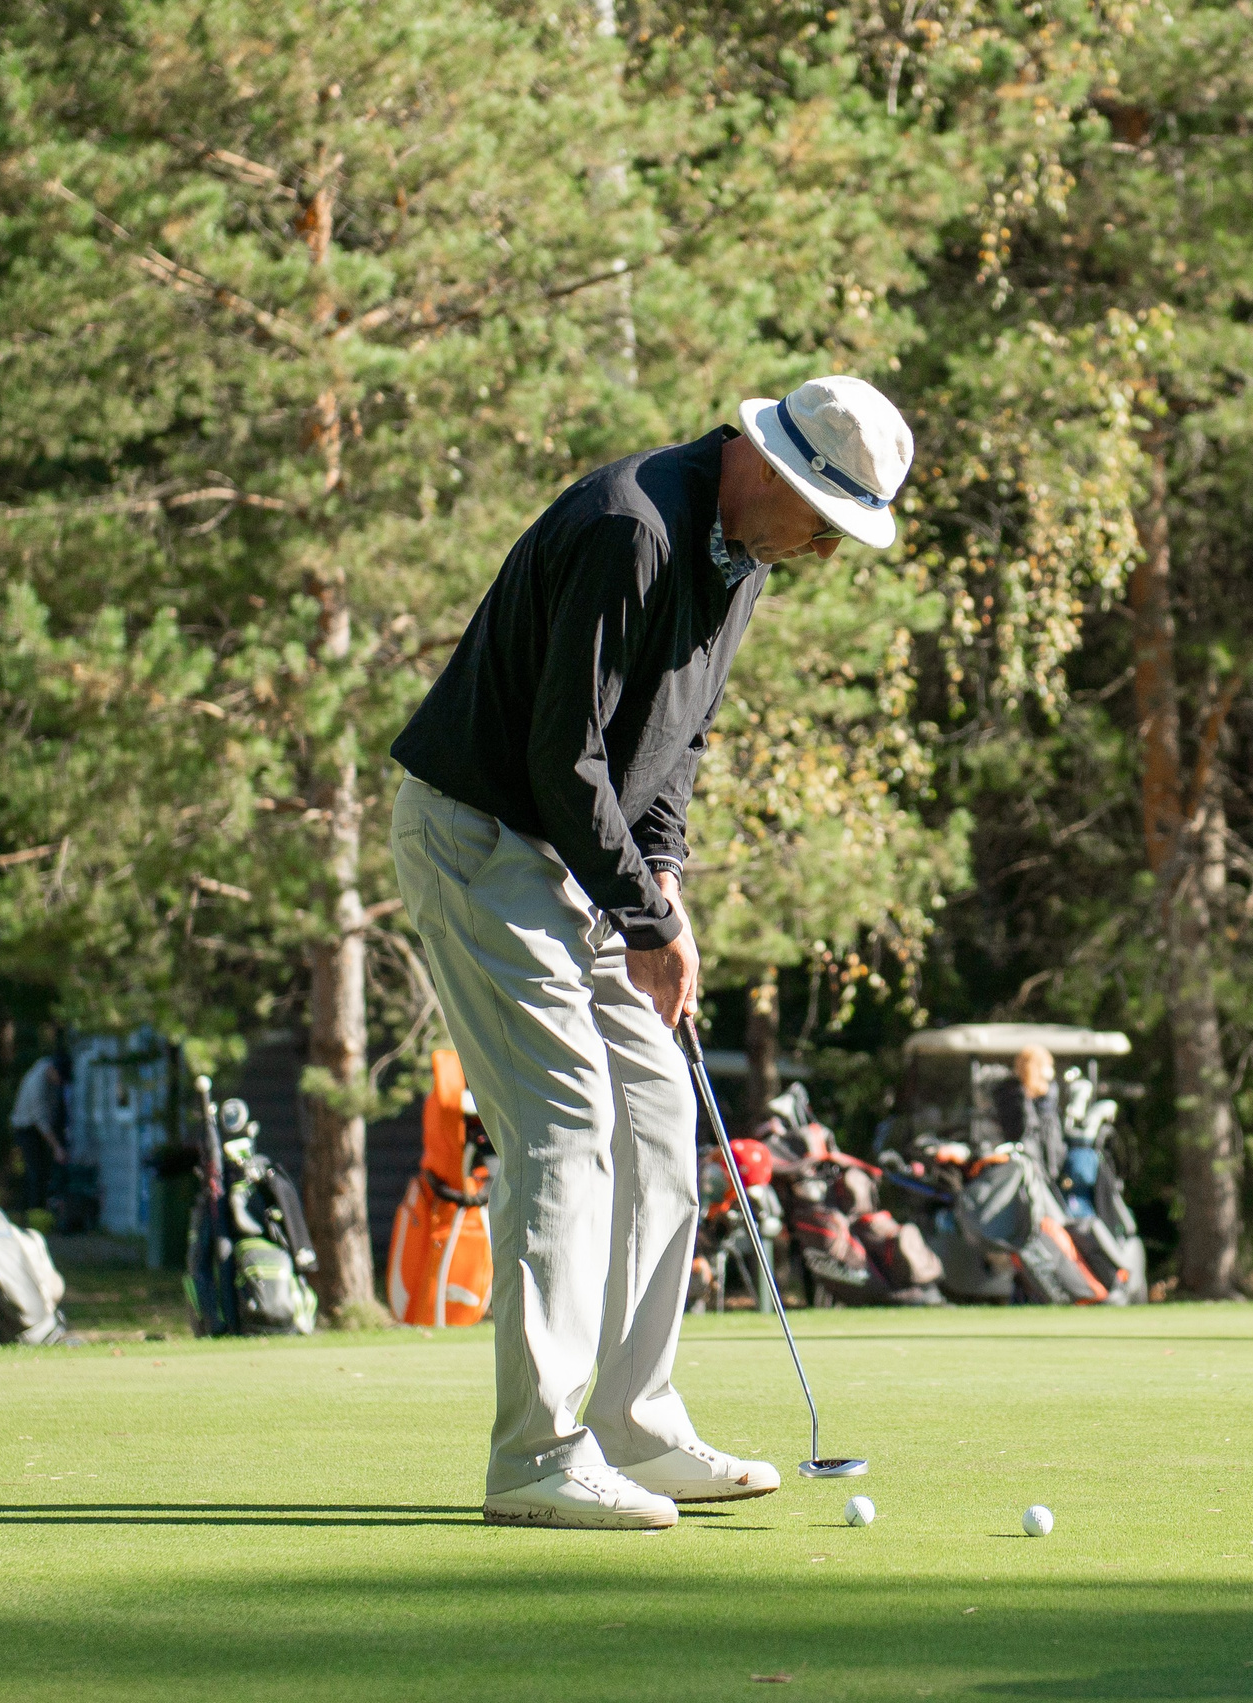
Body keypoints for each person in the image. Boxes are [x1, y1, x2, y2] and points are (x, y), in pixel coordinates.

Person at [389, 375, 913, 1530]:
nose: (825, 549)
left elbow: (670, 746)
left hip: (578, 853)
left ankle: (636, 1420)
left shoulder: (742, 559)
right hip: (481, 837)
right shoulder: (634, 527)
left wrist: (661, 883)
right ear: (768, 467)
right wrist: (646, 915)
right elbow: (559, 755)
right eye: (824, 520)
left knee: (657, 1120)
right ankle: (536, 1452)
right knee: (567, 1124)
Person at [9, 1041, 71, 1214]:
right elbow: (41, 1120)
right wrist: (57, 1148)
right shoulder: (38, 1082)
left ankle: (40, 1210)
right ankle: (33, 1213)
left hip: (40, 1128)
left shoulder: (49, 1073)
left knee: (44, 1171)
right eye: (59, 1078)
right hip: (26, 1128)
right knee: (35, 1171)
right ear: (53, 1070)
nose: (60, 1083)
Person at [994, 1044, 1065, 1179]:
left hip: (1046, 1162)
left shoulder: (1046, 1097)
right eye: (1046, 1065)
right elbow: (1023, 1131)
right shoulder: (1012, 1094)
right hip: (1026, 1163)